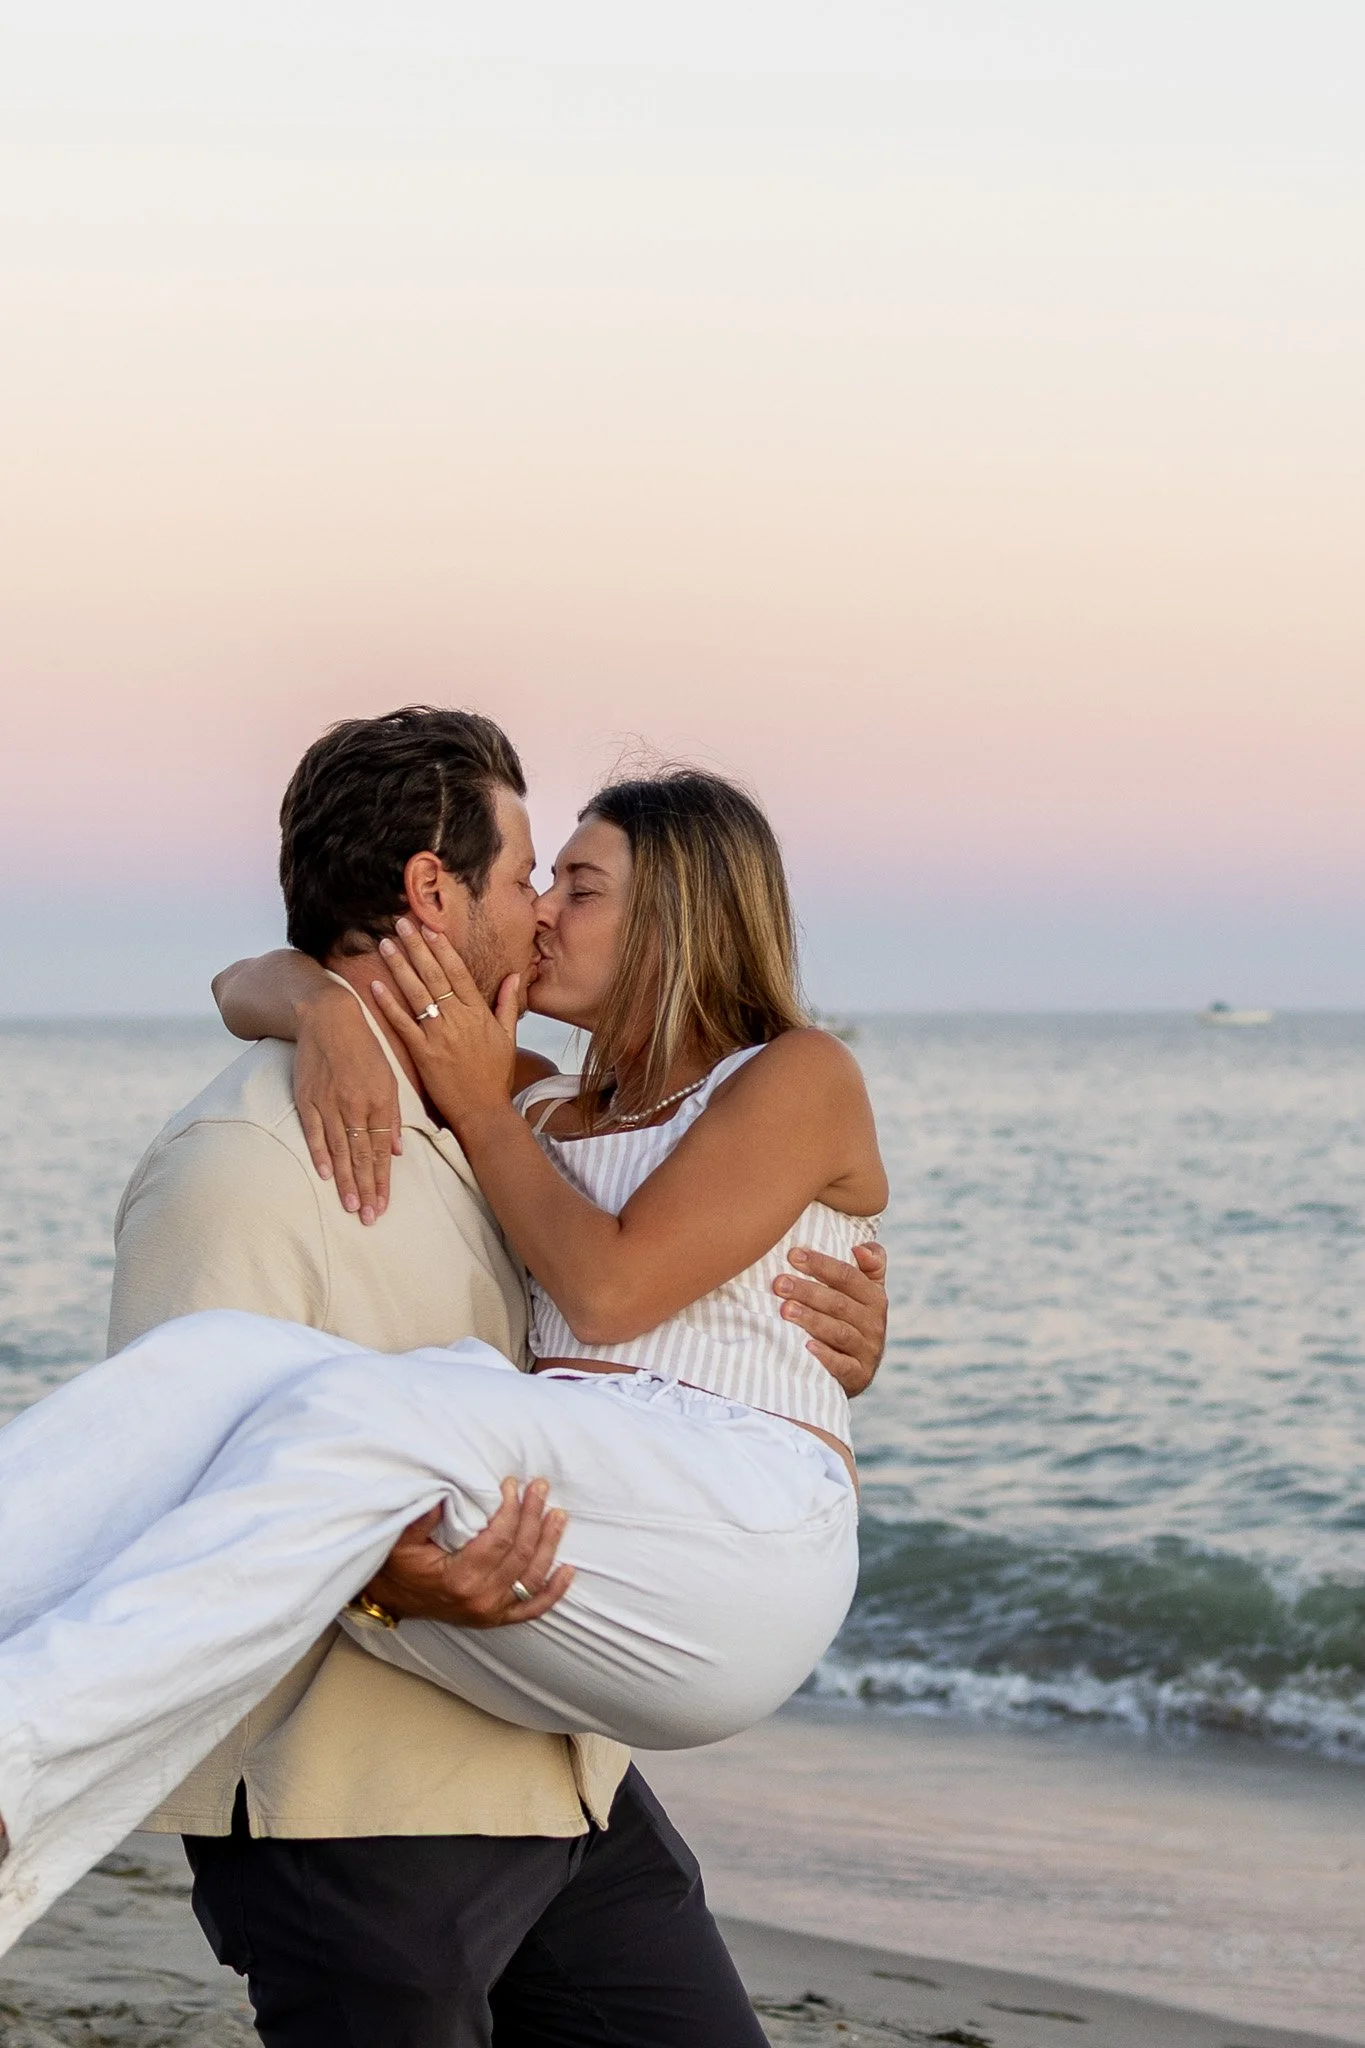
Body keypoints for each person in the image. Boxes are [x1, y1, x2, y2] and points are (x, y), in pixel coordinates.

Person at [0, 708, 888, 2048]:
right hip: (454, 1706)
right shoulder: (523, 1111)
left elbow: (605, 1289)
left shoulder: (766, 1078)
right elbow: (251, 980)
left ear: (681, 919)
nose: (542, 914)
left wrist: (455, 1088)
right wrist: (322, 1008)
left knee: (352, 1401)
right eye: (535, 877)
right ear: (432, 890)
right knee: (223, 1364)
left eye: (573, 887)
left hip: (715, 1538)